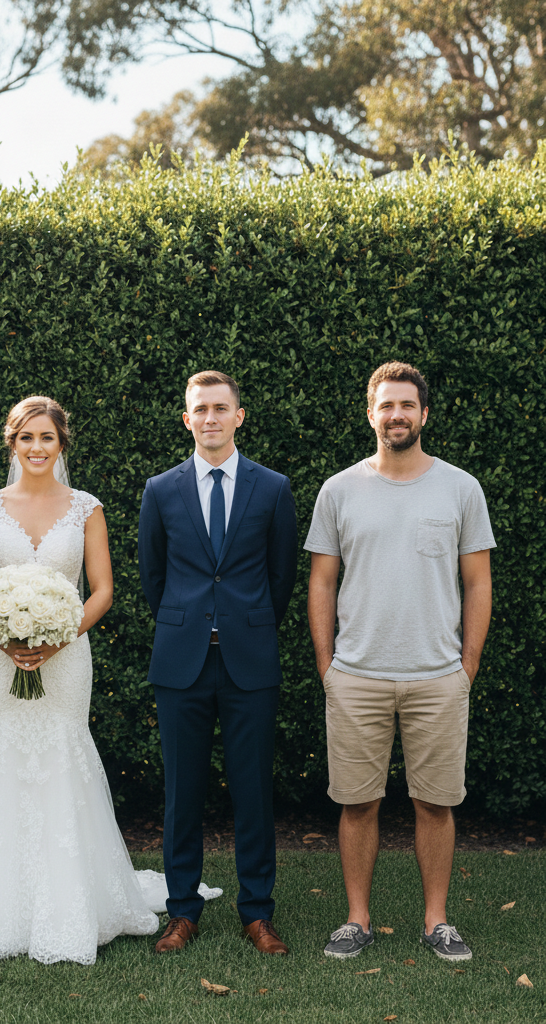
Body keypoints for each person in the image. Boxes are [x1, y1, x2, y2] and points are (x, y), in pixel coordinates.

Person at [0, 396, 218, 964]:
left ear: (61, 443)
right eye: (26, 438)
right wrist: (1, 636)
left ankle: (73, 899)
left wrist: (59, 636)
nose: (36, 448)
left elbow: (101, 588)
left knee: (62, 751)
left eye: (46, 437)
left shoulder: (86, 509)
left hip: (68, 654)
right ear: (12, 443)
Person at [306, 361, 494, 962]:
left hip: (437, 677)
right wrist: (328, 666)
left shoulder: (461, 488)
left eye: (406, 405)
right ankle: (357, 919)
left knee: (434, 802)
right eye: (386, 405)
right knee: (357, 802)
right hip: (356, 676)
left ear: (424, 414)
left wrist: (465, 667)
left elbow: (478, 583)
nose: (396, 415)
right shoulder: (339, 489)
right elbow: (321, 583)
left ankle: (436, 920)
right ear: (370, 413)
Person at [138, 370, 298, 956]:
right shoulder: (161, 489)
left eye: (220, 408)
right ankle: (183, 911)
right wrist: (190, 622)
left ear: (239, 415)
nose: (210, 417)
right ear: (187, 418)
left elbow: (281, 576)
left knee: (253, 790)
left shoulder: (273, 487)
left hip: (248, 661)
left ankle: (257, 912)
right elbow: (153, 577)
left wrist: (243, 623)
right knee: (182, 793)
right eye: (199, 409)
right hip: (180, 662)